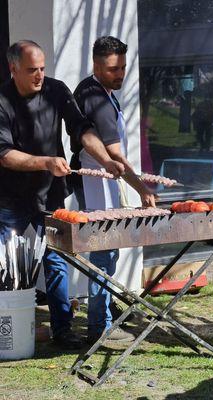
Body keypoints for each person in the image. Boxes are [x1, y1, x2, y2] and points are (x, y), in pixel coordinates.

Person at [0, 40, 124, 349]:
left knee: (56, 262)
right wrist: (45, 162)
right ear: (13, 69)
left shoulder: (56, 90)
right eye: (32, 70)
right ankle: (9, 331)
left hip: (51, 196)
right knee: (6, 265)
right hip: (10, 198)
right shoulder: (2, 101)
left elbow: (82, 129)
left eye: (42, 68)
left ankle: (62, 330)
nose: (39, 75)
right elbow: (3, 154)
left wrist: (107, 159)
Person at [73, 36, 156, 344]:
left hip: (101, 178)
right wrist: (142, 189)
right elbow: (115, 153)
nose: (119, 74)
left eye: (122, 67)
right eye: (112, 69)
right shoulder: (95, 98)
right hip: (95, 178)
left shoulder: (94, 89)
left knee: (107, 251)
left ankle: (103, 312)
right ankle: (100, 326)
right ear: (97, 65)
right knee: (103, 252)